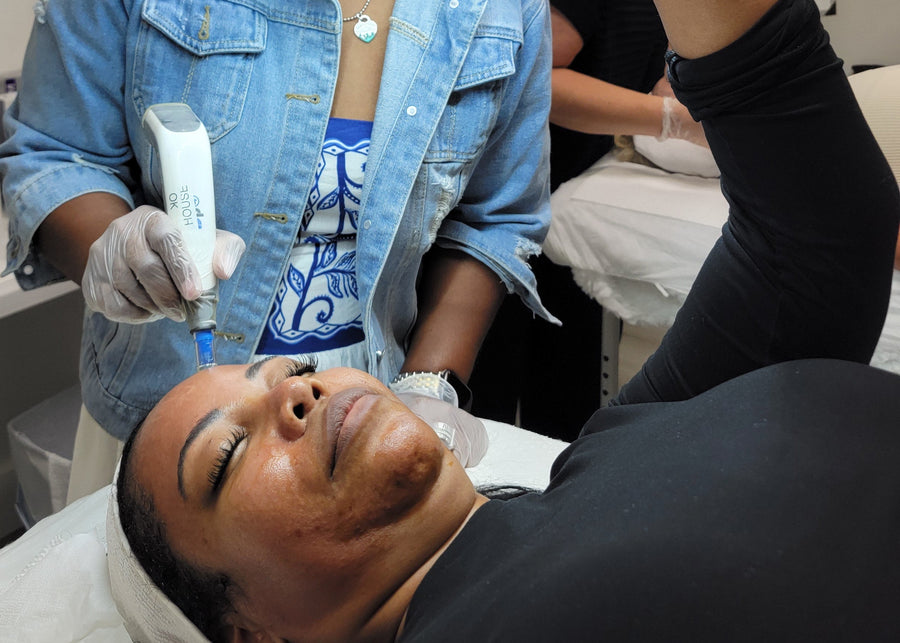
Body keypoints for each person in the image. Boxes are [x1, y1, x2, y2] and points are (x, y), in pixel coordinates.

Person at [110, 0, 900, 640]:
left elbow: (818, 238)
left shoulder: (613, 444)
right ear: (253, 634)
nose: (298, 394)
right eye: (225, 455)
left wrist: (428, 377)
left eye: (297, 370)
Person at [0, 0, 553, 500]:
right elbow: (56, 153)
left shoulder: (503, 11)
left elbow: (494, 217)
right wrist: (117, 251)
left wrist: (430, 384)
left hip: (373, 401)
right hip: (167, 401)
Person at [470, 0, 706, 440]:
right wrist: (671, 121)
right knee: (486, 407)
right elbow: (537, 76)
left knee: (565, 408)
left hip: (569, 194)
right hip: (506, 205)